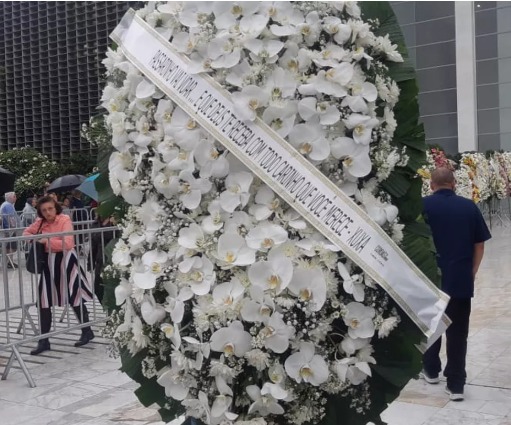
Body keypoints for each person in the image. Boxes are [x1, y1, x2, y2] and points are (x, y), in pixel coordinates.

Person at [420, 168, 491, 401]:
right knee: (458, 332)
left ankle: (430, 370)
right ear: (454, 183)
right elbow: (479, 244)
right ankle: (456, 384)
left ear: (431, 185)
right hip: (459, 278)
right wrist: (471, 271)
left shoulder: (423, 207)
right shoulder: (468, 207)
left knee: (431, 326)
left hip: (430, 279)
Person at [23, 195, 95, 355]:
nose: (48, 212)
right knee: (43, 300)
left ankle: (87, 330)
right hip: (49, 263)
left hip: (66, 261)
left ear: (56, 207)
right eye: (44, 210)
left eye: (50, 208)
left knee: (74, 296)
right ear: (40, 212)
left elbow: (68, 243)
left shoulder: (64, 220)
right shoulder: (40, 222)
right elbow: (26, 233)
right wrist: (38, 239)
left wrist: (45, 241)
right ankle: (44, 340)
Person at [1, 192, 20, 268]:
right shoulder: (8, 205)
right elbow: (10, 218)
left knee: (9, 246)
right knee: (11, 246)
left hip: (7, 229)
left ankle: (9, 262)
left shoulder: (6, 205)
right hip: (9, 229)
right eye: (14, 196)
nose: (16, 198)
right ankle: (9, 262)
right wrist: (14, 227)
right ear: (10, 198)